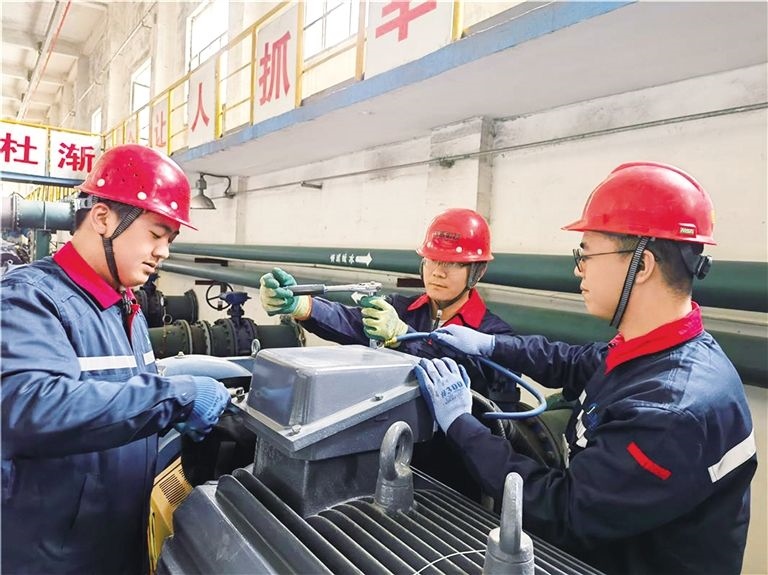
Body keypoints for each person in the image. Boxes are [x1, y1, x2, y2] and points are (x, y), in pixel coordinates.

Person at [416, 162, 757, 575]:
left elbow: (561, 512)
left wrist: (461, 425)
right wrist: (491, 345)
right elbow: (575, 362)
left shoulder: (669, 411)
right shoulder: (655, 349)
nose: (578, 269)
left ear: (642, 266)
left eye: (587, 254)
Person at [1, 144, 231, 574]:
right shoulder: (30, 298)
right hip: (52, 556)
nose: (164, 251)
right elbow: (31, 408)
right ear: (103, 218)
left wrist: (172, 419)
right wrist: (176, 398)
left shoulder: (125, 307)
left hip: (116, 541)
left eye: (170, 240)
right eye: (156, 234)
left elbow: (119, 404)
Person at [258, 207, 516, 402]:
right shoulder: (402, 310)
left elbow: (471, 382)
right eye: (432, 260)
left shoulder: (495, 337)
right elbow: (351, 322)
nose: (438, 272)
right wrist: (300, 305)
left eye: (454, 263)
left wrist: (404, 336)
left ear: (478, 272)